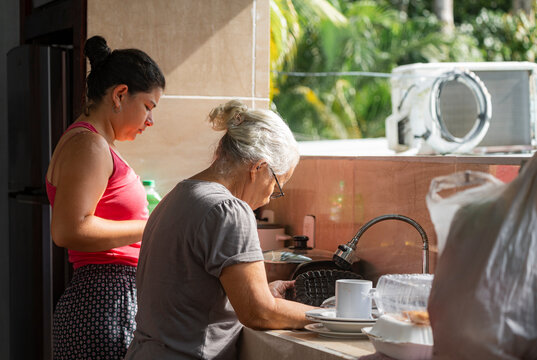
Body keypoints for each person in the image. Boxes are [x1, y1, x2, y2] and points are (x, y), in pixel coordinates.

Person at [125, 100, 316, 359]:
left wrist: (259, 292)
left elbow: (186, 294)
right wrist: (330, 317)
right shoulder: (229, 209)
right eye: (276, 185)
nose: (270, 198)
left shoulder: (177, 196)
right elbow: (257, 313)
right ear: (259, 168)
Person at [45, 35, 165, 359]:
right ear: (120, 94)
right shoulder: (89, 145)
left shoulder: (94, 144)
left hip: (105, 301)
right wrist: (151, 226)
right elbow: (68, 230)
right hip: (102, 302)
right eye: (148, 107)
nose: (150, 121)